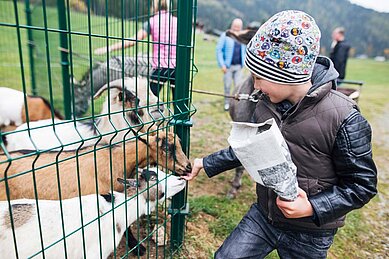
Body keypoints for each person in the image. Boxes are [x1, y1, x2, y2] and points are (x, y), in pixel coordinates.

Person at [183, 10, 377, 258]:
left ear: (284, 74)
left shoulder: (344, 118)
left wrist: (311, 207)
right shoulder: (264, 104)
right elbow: (251, 148)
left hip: (311, 232)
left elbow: (362, 185)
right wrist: (205, 163)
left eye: (258, 77)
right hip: (264, 216)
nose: (254, 86)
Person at [94, 0, 177, 97]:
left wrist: (109, 48)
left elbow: (133, 41)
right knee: (179, 102)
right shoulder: (178, 21)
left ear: (155, 6)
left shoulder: (152, 21)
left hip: (160, 67)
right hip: (177, 67)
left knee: (150, 101)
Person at [216, 18, 246, 111]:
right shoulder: (225, 35)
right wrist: (222, 65)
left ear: (241, 27)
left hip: (239, 66)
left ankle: (237, 104)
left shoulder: (242, 36)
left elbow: (246, 49)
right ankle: (227, 103)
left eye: (238, 26)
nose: (237, 28)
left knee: (239, 86)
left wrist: (244, 62)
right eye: (235, 26)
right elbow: (219, 50)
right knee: (227, 85)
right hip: (228, 67)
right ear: (232, 25)